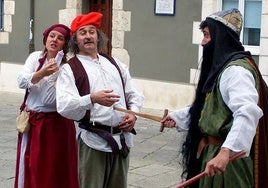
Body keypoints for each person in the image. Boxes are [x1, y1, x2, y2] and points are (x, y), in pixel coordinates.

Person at [162, 8, 268, 188]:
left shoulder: (236, 71)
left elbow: (247, 112)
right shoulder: (222, 69)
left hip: (228, 163)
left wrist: (226, 152)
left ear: (221, 39)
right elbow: (211, 108)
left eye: (206, 35)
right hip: (214, 156)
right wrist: (177, 117)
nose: (203, 42)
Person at [56, 12, 144, 188]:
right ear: (75, 40)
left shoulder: (115, 63)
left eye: (91, 32)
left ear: (98, 37)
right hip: (92, 141)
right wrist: (92, 99)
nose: (88, 36)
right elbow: (64, 105)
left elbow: (134, 94)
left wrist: (133, 115)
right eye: (83, 33)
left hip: (121, 140)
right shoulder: (70, 69)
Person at [15, 24, 79, 188]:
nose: (54, 40)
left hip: (55, 125)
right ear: (46, 39)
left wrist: (53, 74)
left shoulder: (66, 68)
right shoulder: (35, 57)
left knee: (51, 169)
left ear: (64, 45)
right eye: (52, 36)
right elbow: (21, 81)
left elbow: (50, 100)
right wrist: (43, 73)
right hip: (32, 122)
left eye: (60, 38)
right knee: (29, 164)